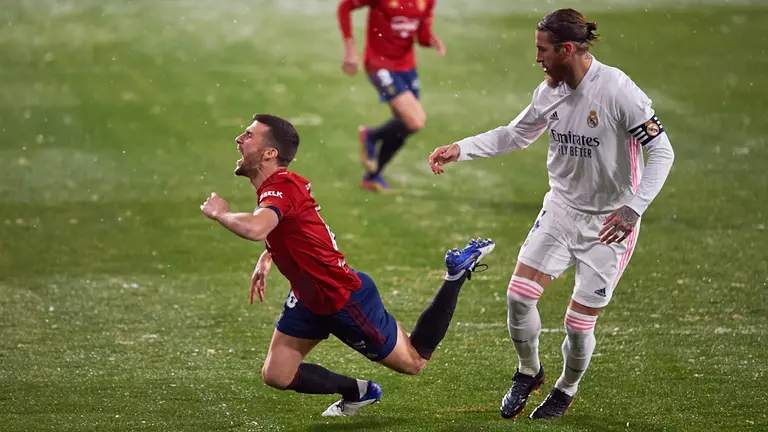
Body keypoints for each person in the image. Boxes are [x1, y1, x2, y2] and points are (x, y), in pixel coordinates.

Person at [427, 8, 675, 420]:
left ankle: (566, 388)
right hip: (561, 210)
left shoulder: (617, 90)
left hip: (609, 224)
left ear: (567, 49)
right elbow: (515, 135)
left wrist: (634, 208)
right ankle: (529, 371)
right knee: (518, 297)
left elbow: (661, 151)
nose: (537, 58)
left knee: (578, 326)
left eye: (543, 50)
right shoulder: (549, 92)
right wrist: (461, 148)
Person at [200, 113, 494, 417]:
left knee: (414, 361)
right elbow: (299, 232)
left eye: (249, 135)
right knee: (276, 375)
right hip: (308, 299)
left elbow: (255, 228)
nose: (239, 139)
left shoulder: (282, 188)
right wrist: (268, 257)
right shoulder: (277, 189)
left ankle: (456, 274)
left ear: (269, 153)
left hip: (343, 298)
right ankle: (359, 391)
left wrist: (220, 213)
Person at [337, 0, 445, 193]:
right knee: (414, 121)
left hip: (407, 67)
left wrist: (431, 40)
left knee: (405, 126)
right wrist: (350, 51)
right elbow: (345, 7)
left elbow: (421, 35)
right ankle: (371, 136)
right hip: (380, 64)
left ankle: (372, 176)